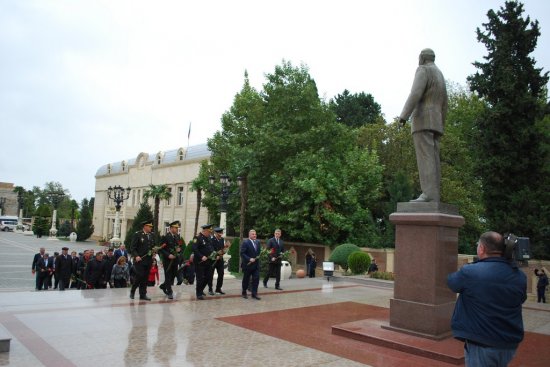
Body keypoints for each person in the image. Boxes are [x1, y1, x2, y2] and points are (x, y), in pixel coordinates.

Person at [447, 231, 527, 366]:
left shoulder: (470, 272)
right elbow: (521, 298)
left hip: (483, 343)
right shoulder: (519, 275)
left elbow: (452, 282)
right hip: (509, 344)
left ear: (482, 248)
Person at [399, 48, 448, 202]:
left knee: (425, 157)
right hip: (436, 121)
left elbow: (415, 93)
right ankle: (434, 195)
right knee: (433, 158)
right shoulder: (440, 74)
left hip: (422, 119)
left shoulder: (423, 70)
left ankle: (428, 194)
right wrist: (441, 122)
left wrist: (403, 116)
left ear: (421, 58)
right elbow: (445, 102)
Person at [130, 220, 156, 301]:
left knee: (145, 278)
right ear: (145, 226)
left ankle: (143, 294)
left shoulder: (151, 235)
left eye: (151, 226)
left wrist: (154, 252)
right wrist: (136, 256)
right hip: (140, 260)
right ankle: (132, 291)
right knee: (139, 276)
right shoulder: (138, 234)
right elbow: (132, 247)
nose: (151, 228)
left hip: (148, 260)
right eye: (149, 226)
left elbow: (152, 246)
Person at [159, 221, 182, 299]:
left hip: (175, 260)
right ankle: (169, 292)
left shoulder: (177, 236)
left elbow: (179, 246)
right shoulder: (165, 237)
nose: (177, 229)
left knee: (173, 276)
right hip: (168, 261)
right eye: (175, 228)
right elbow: (161, 249)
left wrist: (179, 250)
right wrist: (168, 255)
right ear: (171, 228)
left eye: (177, 228)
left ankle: (163, 286)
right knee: (168, 276)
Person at [192, 224, 215, 300]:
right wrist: (201, 256)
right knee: (200, 278)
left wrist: (214, 255)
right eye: (209, 231)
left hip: (208, 261)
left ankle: (201, 290)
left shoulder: (208, 238)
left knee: (208, 277)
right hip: (200, 262)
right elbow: (195, 249)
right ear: (204, 231)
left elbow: (211, 248)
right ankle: (199, 293)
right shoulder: (197, 237)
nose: (210, 233)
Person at [241, 229, 261, 300]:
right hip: (248, 265)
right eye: (253, 234)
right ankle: (244, 292)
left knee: (256, 279)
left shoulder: (258, 242)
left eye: (255, 234)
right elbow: (242, 253)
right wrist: (249, 259)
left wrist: (259, 257)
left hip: (256, 265)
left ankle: (254, 293)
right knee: (246, 279)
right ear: (249, 235)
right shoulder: (245, 242)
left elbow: (258, 253)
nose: (255, 235)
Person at [208, 227, 227, 295]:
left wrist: (224, 250)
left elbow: (222, 250)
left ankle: (218, 289)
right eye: (219, 233)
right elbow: (211, 250)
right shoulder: (211, 240)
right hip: (213, 260)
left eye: (221, 233)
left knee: (221, 273)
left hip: (220, 260)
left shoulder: (222, 240)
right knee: (210, 275)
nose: (220, 234)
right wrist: (216, 256)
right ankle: (210, 289)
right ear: (215, 233)